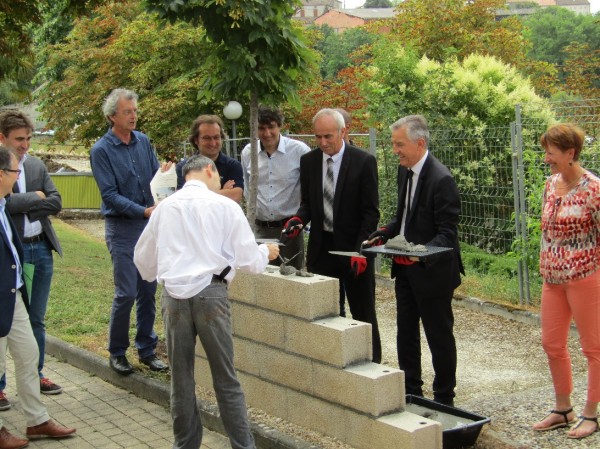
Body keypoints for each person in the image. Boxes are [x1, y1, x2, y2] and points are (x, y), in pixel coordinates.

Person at [134, 154, 279, 449]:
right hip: (212, 294)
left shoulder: (165, 208)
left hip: (173, 297)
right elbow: (249, 260)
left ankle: (185, 445)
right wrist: (268, 252)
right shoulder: (225, 205)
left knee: (181, 380)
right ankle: (243, 446)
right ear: (210, 170)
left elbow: (143, 261)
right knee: (225, 378)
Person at [366, 115, 463, 406]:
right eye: (393, 143)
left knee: (438, 335)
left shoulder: (442, 179)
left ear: (420, 143)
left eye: (400, 144)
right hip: (405, 269)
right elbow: (404, 218)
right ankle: (412, 392)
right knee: (406, 333)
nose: (394, 150)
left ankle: (445, 397)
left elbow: (447, 236)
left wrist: (418, 255)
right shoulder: (404, 170)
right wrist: (383, 233)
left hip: (433, 273)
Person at [283, 108, 382, 363]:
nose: (323, 143)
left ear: (343, 132)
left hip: (353, 250)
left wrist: (361, 250)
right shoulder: (310, 161)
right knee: (326, 312)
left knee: (362, 312)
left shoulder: (363, 161)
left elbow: (371, 214)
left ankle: (371, 364)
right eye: (318, 137)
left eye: (328, 136)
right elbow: (308, 204)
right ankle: (330, 363)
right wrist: (298, 219)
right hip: (322, 249)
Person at [0, 146, 76, 448]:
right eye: (15, 172)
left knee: (29, 353)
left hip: (13, 293)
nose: (19, 177)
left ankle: (36, 420)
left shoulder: (4, 204)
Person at [90, 88, 168, 376]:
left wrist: (165, 175)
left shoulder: (143, 141)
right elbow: (109, 195)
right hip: (122, 228)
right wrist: (142, 210)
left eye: (135, 110)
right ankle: (117, 352)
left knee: (148, 290)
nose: (134, 115)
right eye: (127, 111)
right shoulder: (101, 150)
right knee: (126, 292)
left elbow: (154, 177)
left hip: (148, 225)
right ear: (112, 116)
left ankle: (147, 350)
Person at [532, 123, 599, 440]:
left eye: (551, 152)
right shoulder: (549, 185)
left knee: (594, 348)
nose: (547, 158)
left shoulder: (593, 189)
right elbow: (546, 232)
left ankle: (590, 414)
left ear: (570, 153)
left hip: (586, 278)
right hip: (552, 279)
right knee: (552, 343)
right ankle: (563, 409)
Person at [0, 111, 63, 407]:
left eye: (28, 138)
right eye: (19, 139)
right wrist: (34, 200)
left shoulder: (36, 165)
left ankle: (36, 374)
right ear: (2, 138)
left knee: (35, 319)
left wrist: (28, 203)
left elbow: (56, 201)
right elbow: (5, 202)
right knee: (5, 320)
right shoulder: (1, 167)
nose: (25, 145)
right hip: (12, 253)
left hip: (40, 250)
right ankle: (0, 387)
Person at [240, 105, 310, 270]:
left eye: (271, 127)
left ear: (280, 126)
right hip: (259, 230)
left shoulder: (299, 151)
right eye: (261, 128)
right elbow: (247, 187)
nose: (267, 133)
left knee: (292, 280)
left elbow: (309, 190)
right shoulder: (248, 153)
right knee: (262, 280)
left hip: (289, 230)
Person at [175, 115, 243, 203]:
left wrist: (196, 194)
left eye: (216, 137)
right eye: (207, 138)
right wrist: (222, 191)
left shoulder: (233, 165)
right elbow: (183, 200)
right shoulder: (183, 167)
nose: (213, 143)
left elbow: (235, 196)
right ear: (196, 140)